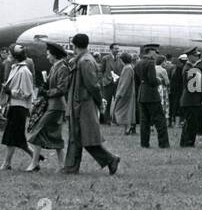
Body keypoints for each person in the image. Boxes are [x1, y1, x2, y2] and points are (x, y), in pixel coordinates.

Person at [62, 34, 121, 175]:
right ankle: (72, 167)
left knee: (82, 137)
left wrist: (100, 101)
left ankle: (109, 159)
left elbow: (92, 85)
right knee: (80, 137)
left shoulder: (85, 61)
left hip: (83, 105)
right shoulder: (83, 59)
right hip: (79, 104)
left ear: (74, 46)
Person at [24, 42, 71, 168]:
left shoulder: (63, 68)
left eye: (48, 54)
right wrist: (44, 86)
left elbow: (62, 89)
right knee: (53, 135)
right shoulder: (55, 67)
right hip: (52, 105)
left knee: (39, 130)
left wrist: (47, 92)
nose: (47, 57)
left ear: (54, 55)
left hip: (56, 106)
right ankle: (61, 165)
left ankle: (35, 163)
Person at [0, 51, 35, 171]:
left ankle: (7, 163)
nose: (8, 57)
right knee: (17, 138)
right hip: (13, 105)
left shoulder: (24, 71)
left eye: (10, 54)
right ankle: (35, 158)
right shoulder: (16, 69)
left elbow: (26, 92)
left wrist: (10, 91)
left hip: (19, 107)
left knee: (12, 137)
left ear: (15, 57)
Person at [135, 46, 169, 148]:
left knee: (144, 121)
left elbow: (136, 80)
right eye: (155, 52)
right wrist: (159, 80)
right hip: (152, 95)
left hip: (142, 94)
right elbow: (152, 80)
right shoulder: (150, 62)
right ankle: (163, 144)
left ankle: (144, 143)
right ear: (150, 51)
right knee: (160, 120)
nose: (156, 55)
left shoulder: (138, 62)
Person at [178, 50, 202, 146]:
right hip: (191, 99)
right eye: (196, 56)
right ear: (190, 57)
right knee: (191, 123)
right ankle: (188, 142)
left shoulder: (188, 67)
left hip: (189, 99)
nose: (198, 57)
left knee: (189, 122)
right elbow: (193, 87)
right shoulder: (190, 68)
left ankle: (185, 142)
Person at [110, 51, 136, 130]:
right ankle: (129, 127)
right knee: (127, 110)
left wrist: (120, 93)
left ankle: (128, 127)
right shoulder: (129, 67)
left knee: (122, 110)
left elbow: (125, 82)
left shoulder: (127, 68)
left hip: (125, 93)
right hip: (127, 92)